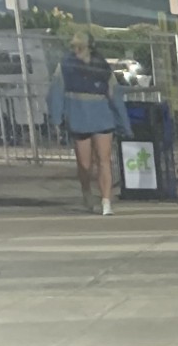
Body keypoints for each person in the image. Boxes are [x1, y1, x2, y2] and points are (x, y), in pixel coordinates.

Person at [47, 31, 132, 215]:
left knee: (104, 160)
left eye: (80, 47)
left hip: (102, 115)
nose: (76, 50)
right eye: (74, 47)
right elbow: (56, 91)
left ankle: (106, 201)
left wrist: (123, 121)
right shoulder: (65, 66)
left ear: (89, 48)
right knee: (84, 164)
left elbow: (114, 94)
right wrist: (57, 118)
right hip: (78, 117)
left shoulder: (101, 66)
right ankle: (87, 192)